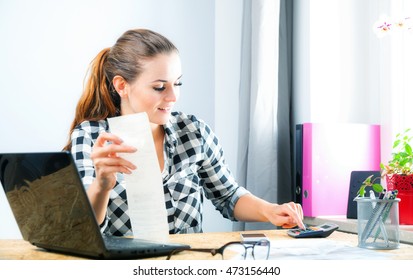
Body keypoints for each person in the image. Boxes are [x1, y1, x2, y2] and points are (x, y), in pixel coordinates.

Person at [64, 28, 305, 236]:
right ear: (121, 86)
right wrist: (102, 186)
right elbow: (84, 230)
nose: (173, 97)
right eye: (159, 87)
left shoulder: (193, 132)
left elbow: (228, 196)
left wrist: (270, 211)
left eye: (177, 83)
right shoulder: (92, 137)